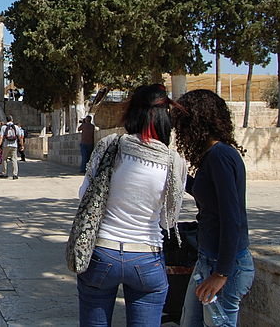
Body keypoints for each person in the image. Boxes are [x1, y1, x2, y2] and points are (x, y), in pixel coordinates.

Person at [76, 84, 187, 326]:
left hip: (102, 252)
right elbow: (168, 220)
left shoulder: (110, 145)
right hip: (147, 257)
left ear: (132, 112)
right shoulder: (174, 162)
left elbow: (84, 194)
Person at [172, 90, 254, 327]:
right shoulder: (212, 156)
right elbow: (205, 195)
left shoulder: (220, 155)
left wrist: (221, 274)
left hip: (225, 265)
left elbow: (232, 218)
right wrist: (176, 172)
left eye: (182, 123)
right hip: (207, 259)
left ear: (196, 122)